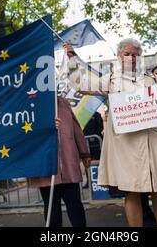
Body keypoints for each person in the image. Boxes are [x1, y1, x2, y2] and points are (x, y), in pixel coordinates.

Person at [64, 38, 157, 227]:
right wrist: (72, 60)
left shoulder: (152, 79)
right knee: (131, 191)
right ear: (119, 56)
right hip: (127, 146)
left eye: (135, 55)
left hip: (154, 143)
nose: (131, 58)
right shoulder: (110, 79)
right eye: (127, 54)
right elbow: (80, 84)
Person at [27, 96, 91, 227]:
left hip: (68, 163)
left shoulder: (63, 102)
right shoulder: (29, 102)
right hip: (45, 165)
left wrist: (84, 152)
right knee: (52, 207)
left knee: (75, 205)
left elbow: (76, 129)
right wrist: (44, 126)